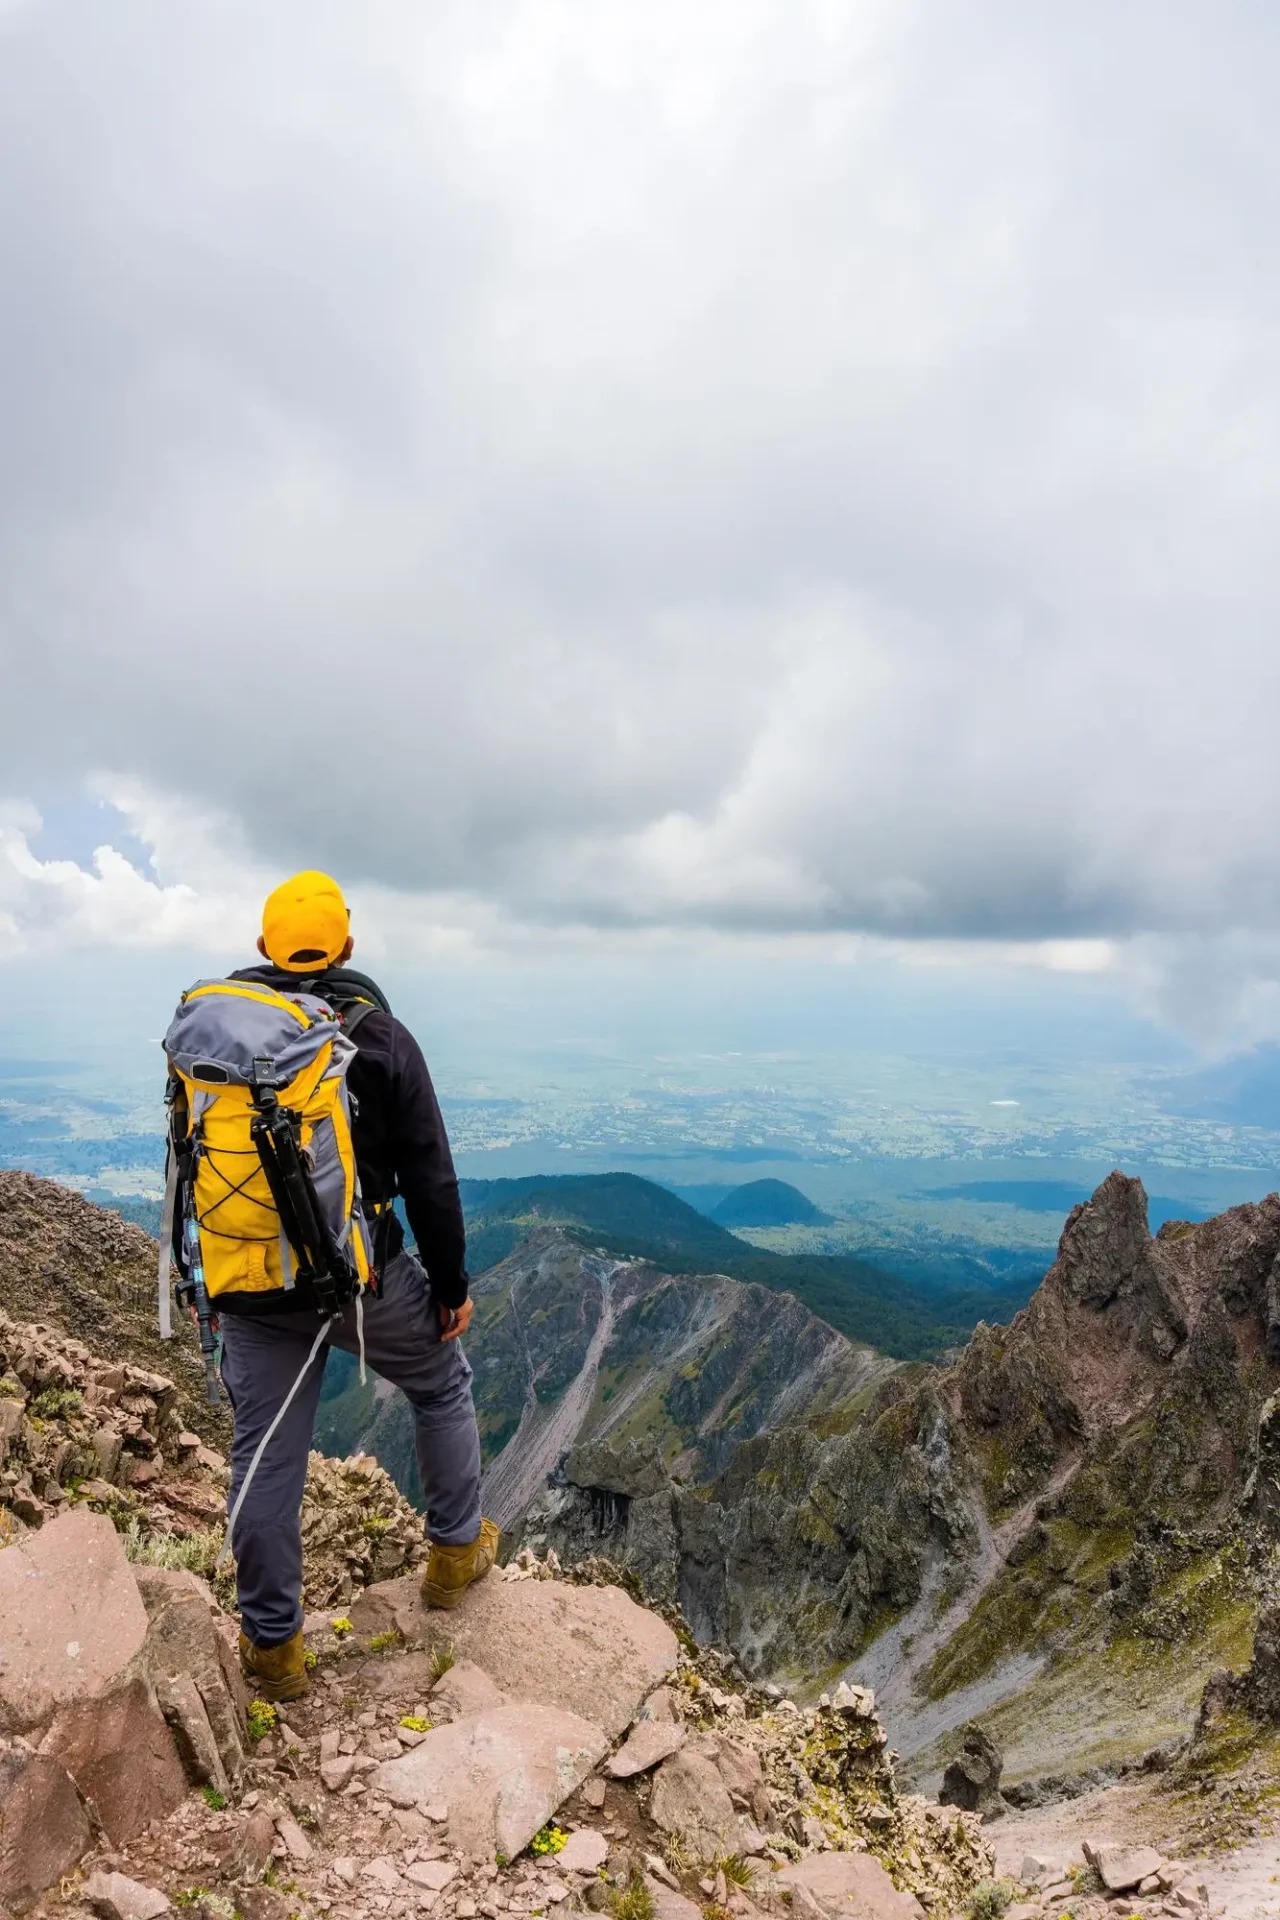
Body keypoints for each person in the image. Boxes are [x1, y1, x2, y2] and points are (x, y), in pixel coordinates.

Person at [212, 870, 496, 1703]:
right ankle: (452, 1558)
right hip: (358, 1280)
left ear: (265, 948)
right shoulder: (381, 1038)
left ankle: (274, 1651)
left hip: (249, 1280)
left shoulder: (225, 1036)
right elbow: (431, 1180)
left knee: (266, 1455)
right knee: (441, 1381)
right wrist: (450, 1286)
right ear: (346, 944)